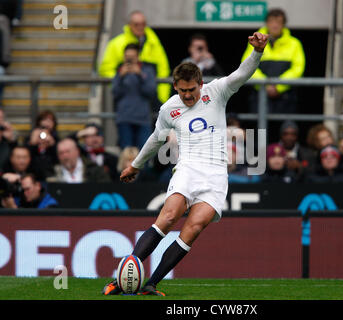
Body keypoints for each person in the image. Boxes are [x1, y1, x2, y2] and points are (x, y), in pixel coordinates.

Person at [102, 32, 269, 296]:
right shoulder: (169, 109)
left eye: (192, 90)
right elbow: (155, 140)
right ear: (175, 87)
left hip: (216, 175)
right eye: (183, 91)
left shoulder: (216, 91)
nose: (188, 95)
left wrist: (257, 52)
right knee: (168, 217)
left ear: (201, 83)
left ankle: (151, 284)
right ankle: (121, 279)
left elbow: (242, 74)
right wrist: (135, 165)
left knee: (193, 228)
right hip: (188, 168)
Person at [241, 8, 305, 114]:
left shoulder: (295, 44)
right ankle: (257, 132)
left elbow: (298, 68)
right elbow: (246, 65)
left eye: (279, 22)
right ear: (266, 23)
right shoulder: (254, 41)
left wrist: (279, 86)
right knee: (255, 129)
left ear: (284, 24)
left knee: (285, 129)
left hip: (286, 97)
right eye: (271, 22)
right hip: (259, 95)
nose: (275, 25)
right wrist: (265, 85)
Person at [99, 10, 170, 105]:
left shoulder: (154, 42)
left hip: (150, 97)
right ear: (129, 25)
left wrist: (162, 98)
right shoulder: (116, 44)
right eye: (136, 24)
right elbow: (106, 70)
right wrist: (120, 83)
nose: (140, 27)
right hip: (127, 98)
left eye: (143, 24)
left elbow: (163, 71)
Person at [112, 43, 156, 150]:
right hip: (124, 118)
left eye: (132, 57)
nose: (129, 60)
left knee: (144, 153)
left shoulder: (147, 71)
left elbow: (151, 92)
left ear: (138, 56)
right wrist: (121, 77)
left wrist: (140, 75)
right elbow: (115, 93)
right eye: (127, 57)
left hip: (143, 119)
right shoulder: (119, 71)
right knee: (126, 154)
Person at [47, 138, 111, 183]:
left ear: (77, 151)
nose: (65, 156)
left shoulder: (95, 170)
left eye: (67, 152)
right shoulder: (52, 172)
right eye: (61, 153)